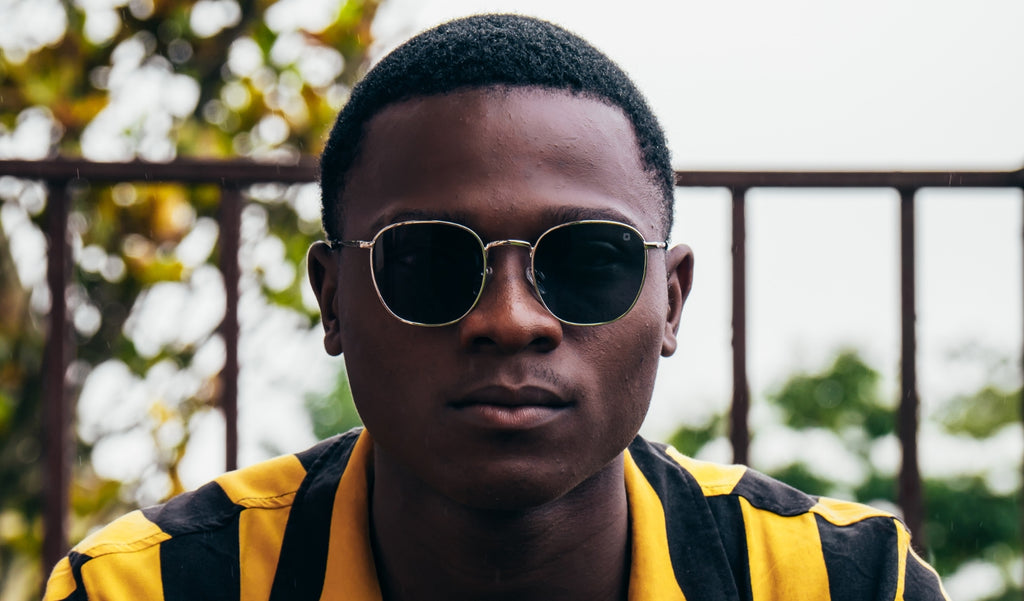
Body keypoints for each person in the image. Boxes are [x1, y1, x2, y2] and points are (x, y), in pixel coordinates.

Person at [45, 14, 949, 601]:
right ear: (332, 299)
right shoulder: (151, 586)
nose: (510, 318)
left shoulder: (842, 582)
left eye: (586, 260)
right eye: (432, 260)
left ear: (670, 302)